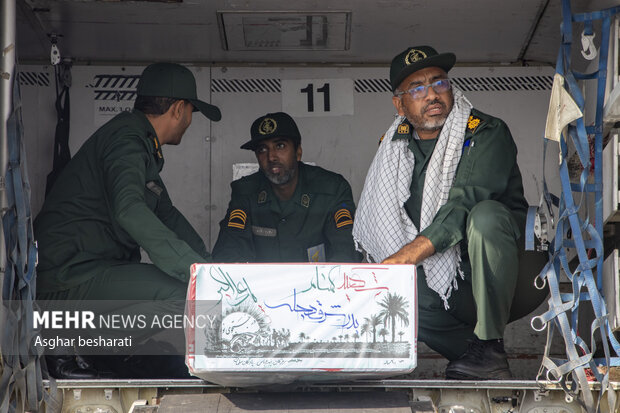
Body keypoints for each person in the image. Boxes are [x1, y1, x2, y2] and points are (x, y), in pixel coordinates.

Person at [353, 46, 547, 380]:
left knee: (484, 216)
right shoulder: (392, 147)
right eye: (417, 88)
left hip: (509, 277)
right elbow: (379, 219)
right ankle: (481, 359)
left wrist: (408, 255)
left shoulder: (485, 132)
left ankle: (488, 343)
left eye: (439, 83)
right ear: (399, 103)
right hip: (442, 283)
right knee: (392, 295)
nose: (431, 94)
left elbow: (466, 200)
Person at [34, 62, 221, 378]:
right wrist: (196, 276)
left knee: (195, 290)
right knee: (185, 296)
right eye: (192, 111)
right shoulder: (126, 141)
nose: (190, 121)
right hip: (66, 281)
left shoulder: (137, 141)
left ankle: (105, 354)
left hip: (86, 273)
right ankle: (69, 346)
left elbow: (166, 214)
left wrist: (213, 269)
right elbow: (130, 210)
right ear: (178, 109)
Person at [212, 112, 359, 263]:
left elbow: (346, 252)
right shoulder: (245, 191)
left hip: (318, 284)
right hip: (262, 285)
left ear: (298, 152)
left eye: (280, 146)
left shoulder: (332, 189)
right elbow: (228, 250)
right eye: (262, 149)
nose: (271, 157)